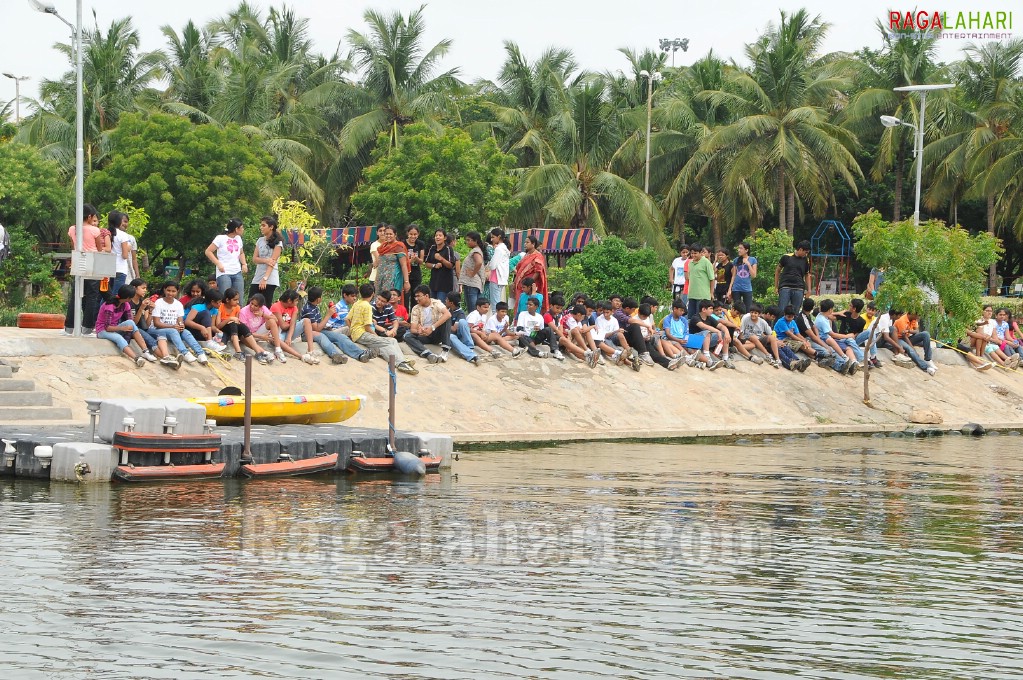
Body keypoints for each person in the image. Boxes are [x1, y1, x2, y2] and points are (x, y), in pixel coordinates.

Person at [344, 283, 415, 373]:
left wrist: (352, 330)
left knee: (392, 340)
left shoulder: (357, 303)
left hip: (359, 334)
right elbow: (367, 327)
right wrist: (376, 335)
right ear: (373, 294)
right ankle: (400, 363)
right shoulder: (368, 306)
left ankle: (402, 360)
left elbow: (347, 319)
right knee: (388, 342)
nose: (379, 302)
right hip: (363, 334)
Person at [302, 286, 374, 364]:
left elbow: (318, 325)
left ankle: (360, 354)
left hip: (319, 330)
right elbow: (316, 329)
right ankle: (335, 354)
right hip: (307, 334)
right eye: (321, 296)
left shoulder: (314, 307)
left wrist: (326, 326)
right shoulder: (308, 309)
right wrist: (328, 315)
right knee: (323, 337)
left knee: (341, 337)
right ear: (318, 299)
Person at [63, 203, 103, 336]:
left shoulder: (72, 229)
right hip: (92, 263)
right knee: (92, 296)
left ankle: (69, 327)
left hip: (78, 261)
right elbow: (99, 249)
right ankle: (87, 328)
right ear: (90, 216)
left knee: (75, 295)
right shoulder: (95, 230)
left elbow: (74, 245)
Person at [151, 281, 209, 365]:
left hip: (173, 330)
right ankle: (185, 353)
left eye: (173, 291)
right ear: (164, 290)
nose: (170, 293)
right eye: (168, 290)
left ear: (177, 292)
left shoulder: (178, 304)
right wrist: (173, 326)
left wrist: (181, 326)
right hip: (157, 330)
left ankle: (200, 353)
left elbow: (180, 320)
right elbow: (156, 323)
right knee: (173, 331)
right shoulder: (159, 302)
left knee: (186, 332)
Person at [96, 284, 151, 367]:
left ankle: (145, 351)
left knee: (130, 323)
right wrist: (122, 328)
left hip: (115, 328)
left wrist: (128, 331)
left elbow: (131, 321)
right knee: (118, 338)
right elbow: (107, 327)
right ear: (128, 298)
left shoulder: (125, 304)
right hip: (102, 330)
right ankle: (136, 358)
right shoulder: (110, 306)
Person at [127, 279, 176, 367]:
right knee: (150, 340)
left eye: (146, 288)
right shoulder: (128, 302)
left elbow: (147, 324)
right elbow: (133, 323)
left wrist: (150, 311)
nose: (145, 290)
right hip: (131, 329)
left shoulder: (142, 301)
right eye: (143, 288)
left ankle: (166, 357)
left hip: (142, 329)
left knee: (162, 333)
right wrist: (141, 308)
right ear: (134, 288)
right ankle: (165, 357)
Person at [218, 287, 272, 362]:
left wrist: (233, 320)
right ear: (227, 300)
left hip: (233, 329)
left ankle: (258, 352)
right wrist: (230, 319)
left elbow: (237, 323)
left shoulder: (237, 308)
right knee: (233, 324)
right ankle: (238, 352)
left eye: (238, 299)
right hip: (224, 327)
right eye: (235, 300)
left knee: (243, 327)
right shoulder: (221, 307)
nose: (237, 301)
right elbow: (218, 325)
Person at [238, 293, 289, 364]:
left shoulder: (263, 309)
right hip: (249, 335)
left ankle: (278, 349)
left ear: (260, 306)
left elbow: (276, 320)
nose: (252, 306)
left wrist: (263, 315)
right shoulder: (243, 311)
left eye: (255, 305)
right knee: (243, 337)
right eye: (251, 303)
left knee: (271, 321)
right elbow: (244, 331)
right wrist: (261, 336)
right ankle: (264, 352)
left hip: (259, 332)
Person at [206, 218, 248, 295]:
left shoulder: (238, 239)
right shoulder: (220, 238)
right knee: (226, 297)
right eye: (241, 227)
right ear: (236, 229)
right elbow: (208, 251)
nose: (243, 229)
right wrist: (218, 264)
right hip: (224, 272)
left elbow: (241, 253)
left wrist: (244, 264)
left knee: (239, 297)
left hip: (237, 271)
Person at [815, 299, 856, 375]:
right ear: (830, 309)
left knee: (840, 346)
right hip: (825, 339)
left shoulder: (821, 315)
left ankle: (849, 362)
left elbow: (829, 313)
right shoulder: (822, 321)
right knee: (834, 349)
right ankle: (844, 361)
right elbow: (833, 335)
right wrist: (847, 336)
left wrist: (838, 313)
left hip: (827, 338)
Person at [270, 289, 311, 363]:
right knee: (275, 340)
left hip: (289, 332)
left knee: (306, 321)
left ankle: (311, 351)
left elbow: (293, 323)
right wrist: (292, 323)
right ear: (289, 301)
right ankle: (300, 356)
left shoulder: (294, 307)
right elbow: (283, 326)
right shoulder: (276, 306)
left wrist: (289, 337)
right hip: (278, 332)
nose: (297, 302)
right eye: (296, 300)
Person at [442, 292, 481, 365]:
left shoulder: (460, 313)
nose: (445, 301)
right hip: (452, 337)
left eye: (447, 299)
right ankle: (473, 356)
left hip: (459, 336)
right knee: (450, 336)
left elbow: (454, 329)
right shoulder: (447, 310)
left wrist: (444, 325)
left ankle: (469, 347)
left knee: (462, 322)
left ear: (451, 303)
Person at [512, 235, 549, 314]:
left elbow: (538, 271)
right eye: (525, 242)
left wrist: (530, 284)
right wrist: (515, 282)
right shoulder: (526, 255)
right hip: (521, 285)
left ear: (533, 244)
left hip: (530, 286)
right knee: (520, 303)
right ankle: (518, 322)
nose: (525, 244)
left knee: (530, 304)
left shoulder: (538, 256)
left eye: (527, 242)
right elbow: (519, 271)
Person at [250, 215, 282, 302]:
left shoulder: (278, 243)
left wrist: (265, 279)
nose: (261, 227)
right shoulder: (260, 240)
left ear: (271, 227)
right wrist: (266, 260)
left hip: (270, 278)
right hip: (257, 277)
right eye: (261, 225)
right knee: (250, 303)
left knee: (265, 305)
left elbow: (272, 263)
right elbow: (255, 259)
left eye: (264, 225)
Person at [775, 240, 812, 315]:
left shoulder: (805, 260)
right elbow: (777, 271)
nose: (806, 254)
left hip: (799, 288)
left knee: (795, 312)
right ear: (800, 249)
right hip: (785, 286)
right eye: (806, 252)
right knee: (782, 311)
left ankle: (793, 327)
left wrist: (809, 290)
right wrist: (776, 286)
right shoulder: (786, 257)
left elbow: (807, 275)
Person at [738, 303, 782, 368]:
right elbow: (741, 333)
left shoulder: (762, 322)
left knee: (771, 337)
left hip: (759, 340)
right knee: (753, 337)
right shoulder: (746, 319)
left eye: (755, 313)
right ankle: (768, 355)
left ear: (759, 314)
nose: (753, 314)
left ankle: (777, 359)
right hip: (747, 338)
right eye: (752, 312)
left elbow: (770, 333)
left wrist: (777, 340)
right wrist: (742, 340)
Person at [773, 305, 814, 372]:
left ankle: (800, 362)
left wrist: (805, 341)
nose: (791, 318)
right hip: (783, 339)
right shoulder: (781, 322)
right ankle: (817, 355)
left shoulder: (793, 322)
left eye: (792, 317)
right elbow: (790, 334)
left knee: (791, 348)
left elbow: (797, 334)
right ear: (784, 314)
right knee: (799, 344)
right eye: (789, 317)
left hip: (787, 340)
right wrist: (803, 341)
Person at [374, 225, 410, 297]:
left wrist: (406, 281)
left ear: (395, 234)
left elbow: (403, 265)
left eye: (390, 234)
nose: (388, 236)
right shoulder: (383, 246)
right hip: (380, 278)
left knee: (391, 299)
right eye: (386, 234)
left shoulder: (399, 247)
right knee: (379, 300)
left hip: (393, 279)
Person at [458, 231, 487, 312]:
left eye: (469, 240)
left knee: (472, 310)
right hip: (475, 284)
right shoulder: (477, 250)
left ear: (476, 241)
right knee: (476, 309)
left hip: (471, 283)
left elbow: (479, 262)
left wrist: (472, 273)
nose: (467, 242)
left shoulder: (475, 251)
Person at [424, 229, 456, 303]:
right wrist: (434, 265)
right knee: (432, 305)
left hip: (444, 284)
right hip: (434, 282)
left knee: (440, 305)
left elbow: (451, 265)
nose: (437, 237)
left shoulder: (448, 248)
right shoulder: (432, 248)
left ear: (444, 238)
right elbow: (426, 263)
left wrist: (441, 259)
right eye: (436, 236)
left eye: (440, 235)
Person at [686, 243, 714, 322]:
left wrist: (711, 293)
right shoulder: (690, 263)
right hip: (692, 295)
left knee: (700, 318)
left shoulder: (706, 262)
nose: (693, 255)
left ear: (701, 253)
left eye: (695, 253)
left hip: (703, 295)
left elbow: (712, 279)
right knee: (691, 318)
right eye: (692, 253)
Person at [728, 241, 757, 312]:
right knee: (736, 309)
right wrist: (729, 289)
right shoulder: (736, 260)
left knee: (748, 309)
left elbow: (754, 275)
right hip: (736, 288)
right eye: (738, 248)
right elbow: (733, 276)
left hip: (747, 288)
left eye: (741, 248)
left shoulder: (752, 260)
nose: (739, 250)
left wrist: (748, 264)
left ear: (746, 250)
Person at [404, 225, 426, 310]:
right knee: (405, 296)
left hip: (416, 274)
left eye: (415, 234)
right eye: (411, 234)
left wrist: (416, 259)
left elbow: (421, 261)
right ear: (407, 234)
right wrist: (410, 261)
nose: (413, 236)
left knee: (416, 296)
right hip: (406, 274)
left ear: (418, 234)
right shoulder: (403, 244)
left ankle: (414, 316)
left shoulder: (420, 244)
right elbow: (402, 262)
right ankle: (404, 318)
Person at [488, 228, 511, 307]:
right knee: (497, 303)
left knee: (495, 305)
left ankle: (497, 319)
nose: (491, 239)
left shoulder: (499, 249)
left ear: (499, 237)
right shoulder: (505, 248)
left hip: (496, 278)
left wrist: (489, 264)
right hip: (501, 278)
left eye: (493, 237)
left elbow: (492, 265)